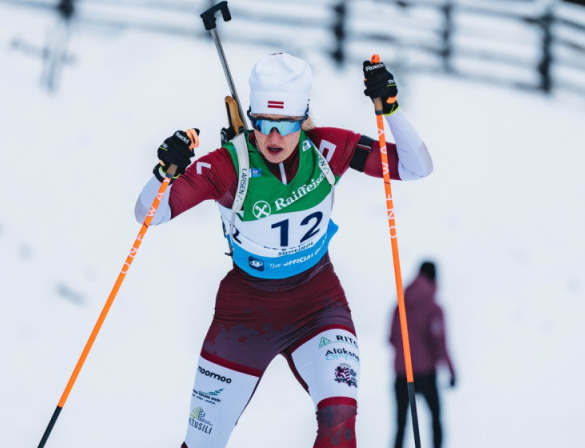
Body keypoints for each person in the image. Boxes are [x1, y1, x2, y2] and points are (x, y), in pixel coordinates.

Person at [135, 52, 433, 448]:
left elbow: (416, 167)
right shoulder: (230, 164)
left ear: (303, 118)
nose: (274, 138)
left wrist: (390, 109)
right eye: (264, 124)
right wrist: (164, 173)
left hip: (317, 303)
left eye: (286, 125)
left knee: (340, 418)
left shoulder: (328, 148)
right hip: (244, 315)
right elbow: (149, 215)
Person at [390, 261, 457, 448]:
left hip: (402, 374)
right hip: (426, 374)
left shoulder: (400, 304)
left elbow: (391, 338)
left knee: (401, 425)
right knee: (436, 420)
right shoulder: (433, 308)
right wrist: (451, 370)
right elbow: (439, 342)